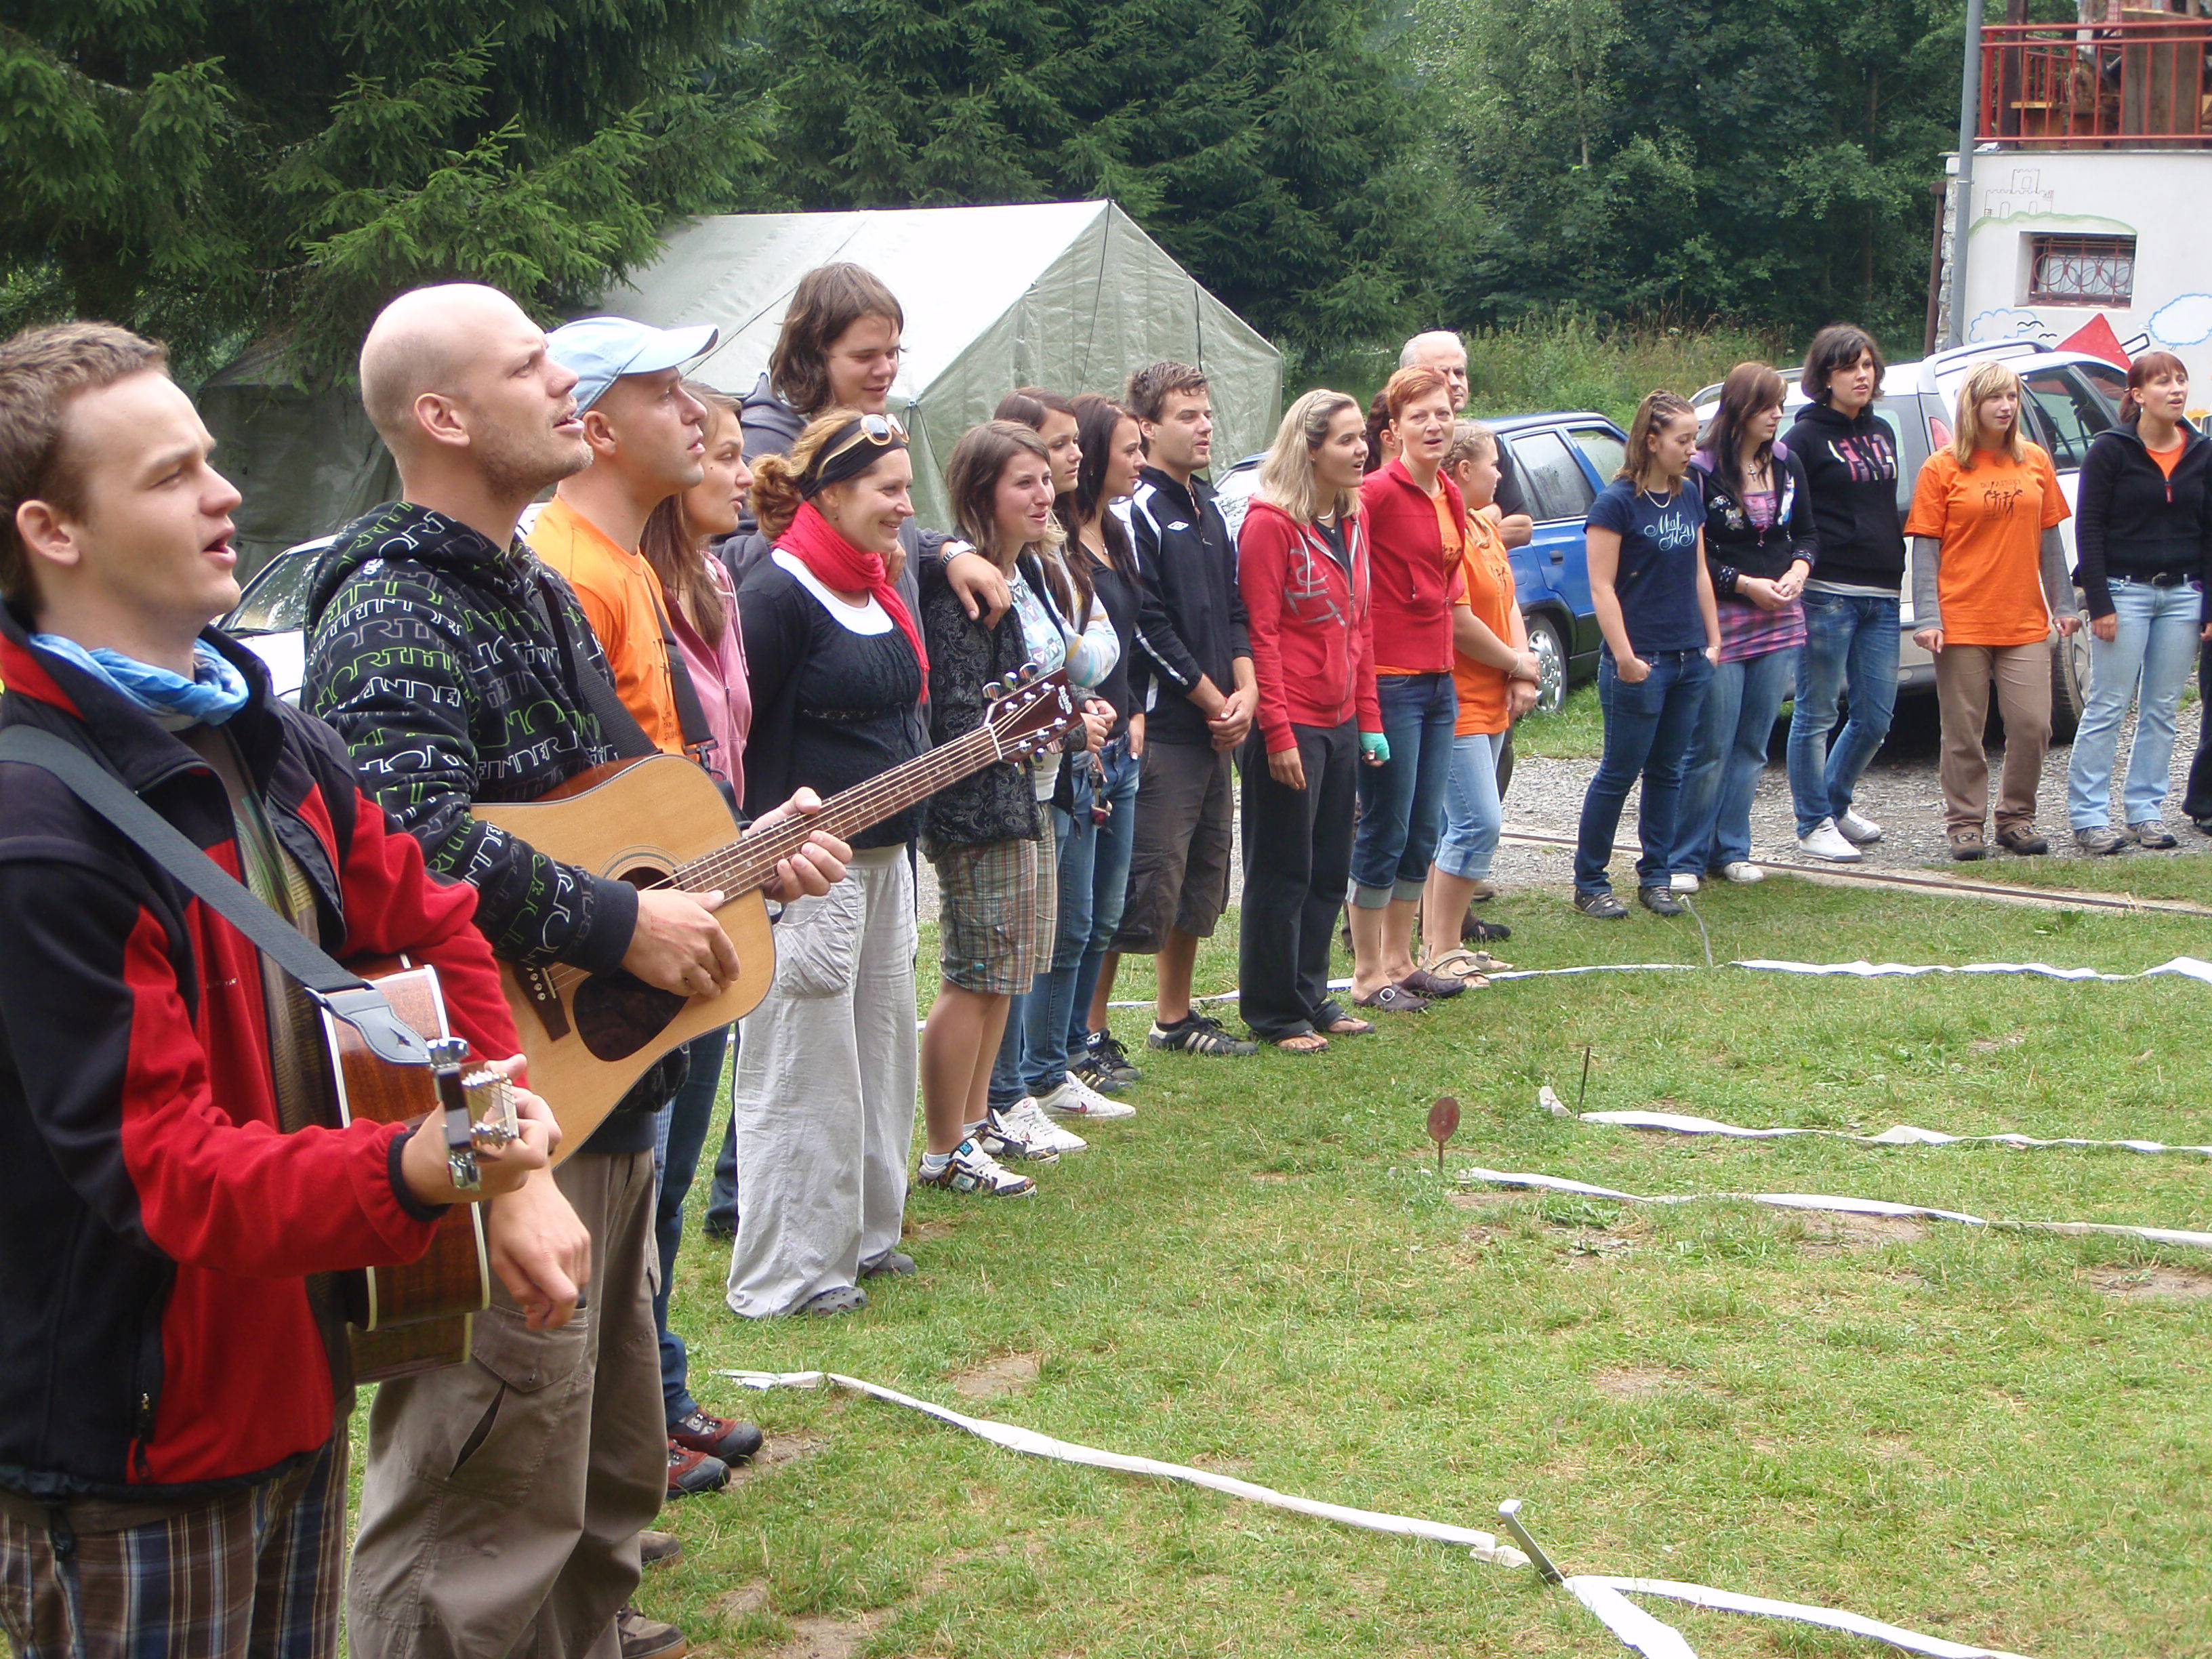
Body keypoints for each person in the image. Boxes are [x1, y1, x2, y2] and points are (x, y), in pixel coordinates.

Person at [304, 285, 848, 1659]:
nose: (566, 386)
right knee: (481, 1504)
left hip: (603, 1095)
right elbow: (398, 835)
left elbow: (613, 813)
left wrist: (742, 856)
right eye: (527, 366)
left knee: (595, 1479)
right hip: (499, 1104)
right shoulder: (395, 602)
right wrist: (617, 927)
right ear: (442, 416)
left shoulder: (533, 587)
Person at [0, 320, 557, 1659]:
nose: (226, 492)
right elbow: (165, 1172)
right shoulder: (34, 828)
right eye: (171, 474)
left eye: (211, 458)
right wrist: (421, 1168)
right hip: (130, 1456)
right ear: (52, 531)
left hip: (300, 1378)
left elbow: (434, 923)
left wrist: (510, 1163)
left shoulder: (268, 737)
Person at [724, 407, 955, 1296]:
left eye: (907, 489)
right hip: (809, 877)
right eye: (888, 490)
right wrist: (761, 852)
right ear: (830, 493)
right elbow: (740, 740)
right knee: (805, 1069)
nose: (906, 506)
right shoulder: (778, 594)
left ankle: (863, 1236)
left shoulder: (874, 585)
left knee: (880, 1055)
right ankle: (793, 1271)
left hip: (885, 865)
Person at [917, 422, 1113, 1190]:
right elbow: (961, 718)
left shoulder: (1025, 571)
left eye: (1045, 480)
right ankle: (945, 1148)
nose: (1044, 495)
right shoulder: (960, 589)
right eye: (1023, 483)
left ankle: (978, 1122)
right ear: (981, 493)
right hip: (977, 809)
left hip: (1029, 795)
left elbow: (1041, 685)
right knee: (973, 973)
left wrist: (1074, 714)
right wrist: (1054, 724)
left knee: (1007, 971)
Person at [635, 384, 764, 1483]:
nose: (740, 473)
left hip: (713, 886)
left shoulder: (713, 581)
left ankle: (659, 1387)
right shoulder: (616, 581)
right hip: (646, 905)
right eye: (719, 455)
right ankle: (638, 1410)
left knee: (669, 1176)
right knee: (637, 1176)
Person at [1097, 361, 1259, 1057]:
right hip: (1166, 729)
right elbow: (1146, 625)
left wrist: (1247, 691)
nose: (1204, 427)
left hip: (1218, 730)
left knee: (1199, 882)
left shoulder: (1210, 507)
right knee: (1138, 886)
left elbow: (1234, 608)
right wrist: (1215, 700)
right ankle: (1088, 1032)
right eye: (1187, 415)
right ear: (1147, 427)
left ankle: (1174, 1017)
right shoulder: (1136, 512)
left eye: (1207, 413)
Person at [985, 389, 1132, 1124]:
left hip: (1068, 769)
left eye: (1062, 460)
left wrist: (1080, 701)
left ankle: (1048, 1069)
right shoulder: (987, 573)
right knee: (1012, 952)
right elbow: (1048, 671)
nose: (1068, 465)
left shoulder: (1047, 562)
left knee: (1070, 929)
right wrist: (1077, 704)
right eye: (1046, 458)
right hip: (1020, 786)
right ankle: (1006, 1094)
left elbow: (1092, 650)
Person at [1235, 390, 1385, 1050]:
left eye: (1361, 438)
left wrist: (1369, 719)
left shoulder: (1351, 517)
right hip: (1290, 720)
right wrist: (1277, 731)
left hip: (1341, 719)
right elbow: (1261, 634)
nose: (1361, 450)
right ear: (1311, 448)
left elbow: (1361, 626)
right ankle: (1274, 1010)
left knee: (1328, 866)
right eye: (1347, 440)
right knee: (1283, 869)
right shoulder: (1269, 524)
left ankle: (1311, 992)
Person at [1906, 361, 2079, 861]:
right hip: (1961, 621)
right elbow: (1926, 550)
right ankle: (1965, 824)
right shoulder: (1941, 468)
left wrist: (2064, 603)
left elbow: (2050, 542)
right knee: (1964, 731)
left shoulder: (2035, 461)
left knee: (2033, 725)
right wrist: (1928, 617)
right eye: (1994, 398)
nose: (2005, 407)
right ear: (1973, 405)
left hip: (2023, 620)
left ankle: (2016, 817)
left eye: (2011, 397)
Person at [1572, 390, 1721, 918]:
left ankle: (1655, 877)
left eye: (1695, 439)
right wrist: (1625, 656)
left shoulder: (1688, 494)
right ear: (1652, 440)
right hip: (1640, 661)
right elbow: (1602, 587)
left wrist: (1712, 641)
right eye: (1683, 440)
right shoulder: (1615, 503)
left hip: (1688, 657)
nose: (1692, 449)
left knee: (1668, 771)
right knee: (1619, 771)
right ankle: (1590, 882)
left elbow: (1699, 572)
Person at [1670, 364, 1816, 889]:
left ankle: (1732, 848)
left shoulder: (1787, 463)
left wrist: (1799, 570)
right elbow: (1693, 555)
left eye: (1780, 404)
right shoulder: (1701, 470)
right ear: (1739, 410)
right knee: (1711, 744)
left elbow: (1807, 534)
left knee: (1754, 744)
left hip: (1779, 621)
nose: (1777, 415)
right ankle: (1685, 856)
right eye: (1766, 406)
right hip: (1722, 623)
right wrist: (1745, 584)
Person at [1350, 365, 1465, 1008]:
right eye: (1419, 416)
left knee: (1424, 828)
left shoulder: (1449, 492)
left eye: (1442, 412)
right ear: (1394, 430)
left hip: (1440, 681)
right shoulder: (1375, 493)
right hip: (1390, 683)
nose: (1434, 425)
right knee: (1385, 825)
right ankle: (1368, 971)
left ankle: (1402, 960)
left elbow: (1449, 585)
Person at [2069, 351, 2210, 851]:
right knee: (2109, 704)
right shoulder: (2110, 451)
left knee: (2163, 707)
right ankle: (2089, 815)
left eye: (2181, 381)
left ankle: (2145, 810)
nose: (2176, 390)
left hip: (2183, 595)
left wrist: (2208, 606)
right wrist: (2100, 602)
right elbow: (2089, 529)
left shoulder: (2202, 452)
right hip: (2124, 592)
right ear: (2137, 394)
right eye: (2163, 382)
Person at [1784, 325, 1905, 864]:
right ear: (1825, 376)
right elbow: (1792, 518)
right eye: (1848, 367)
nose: (1862, 375)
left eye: (1867, 365)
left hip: (1883, 593)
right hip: (1827, 593)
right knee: (1816, 714)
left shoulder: (1883, 431)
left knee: (1875, 717)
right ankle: (1812, 823)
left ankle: (1834, 803)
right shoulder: (1804, 440)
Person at [1422, 421, 1541, 959]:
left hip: (1493, 697)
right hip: (1457, 700)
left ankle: (1441, 945)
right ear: (1465, 469)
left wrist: (1521, 670)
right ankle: (1442, 947)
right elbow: (1458, 622)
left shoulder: (1483, 527)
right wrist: (1515, 660)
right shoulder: (1444, 530)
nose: (1501, 475)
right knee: (1476, 824)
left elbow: (1507, 598)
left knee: (1458, 826)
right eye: (1495, 465)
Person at [1067, 395, 1155, 1094]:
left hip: (1123, 740)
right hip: (1084, 748)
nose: (1140, 462)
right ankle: (1060, 1055)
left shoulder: (1116, 532)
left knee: (1105, 913)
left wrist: (1139, 709)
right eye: (1129, 450)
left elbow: (1133, 636)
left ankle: (1083, 1040)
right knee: (1074, 919)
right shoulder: (1062, 544)